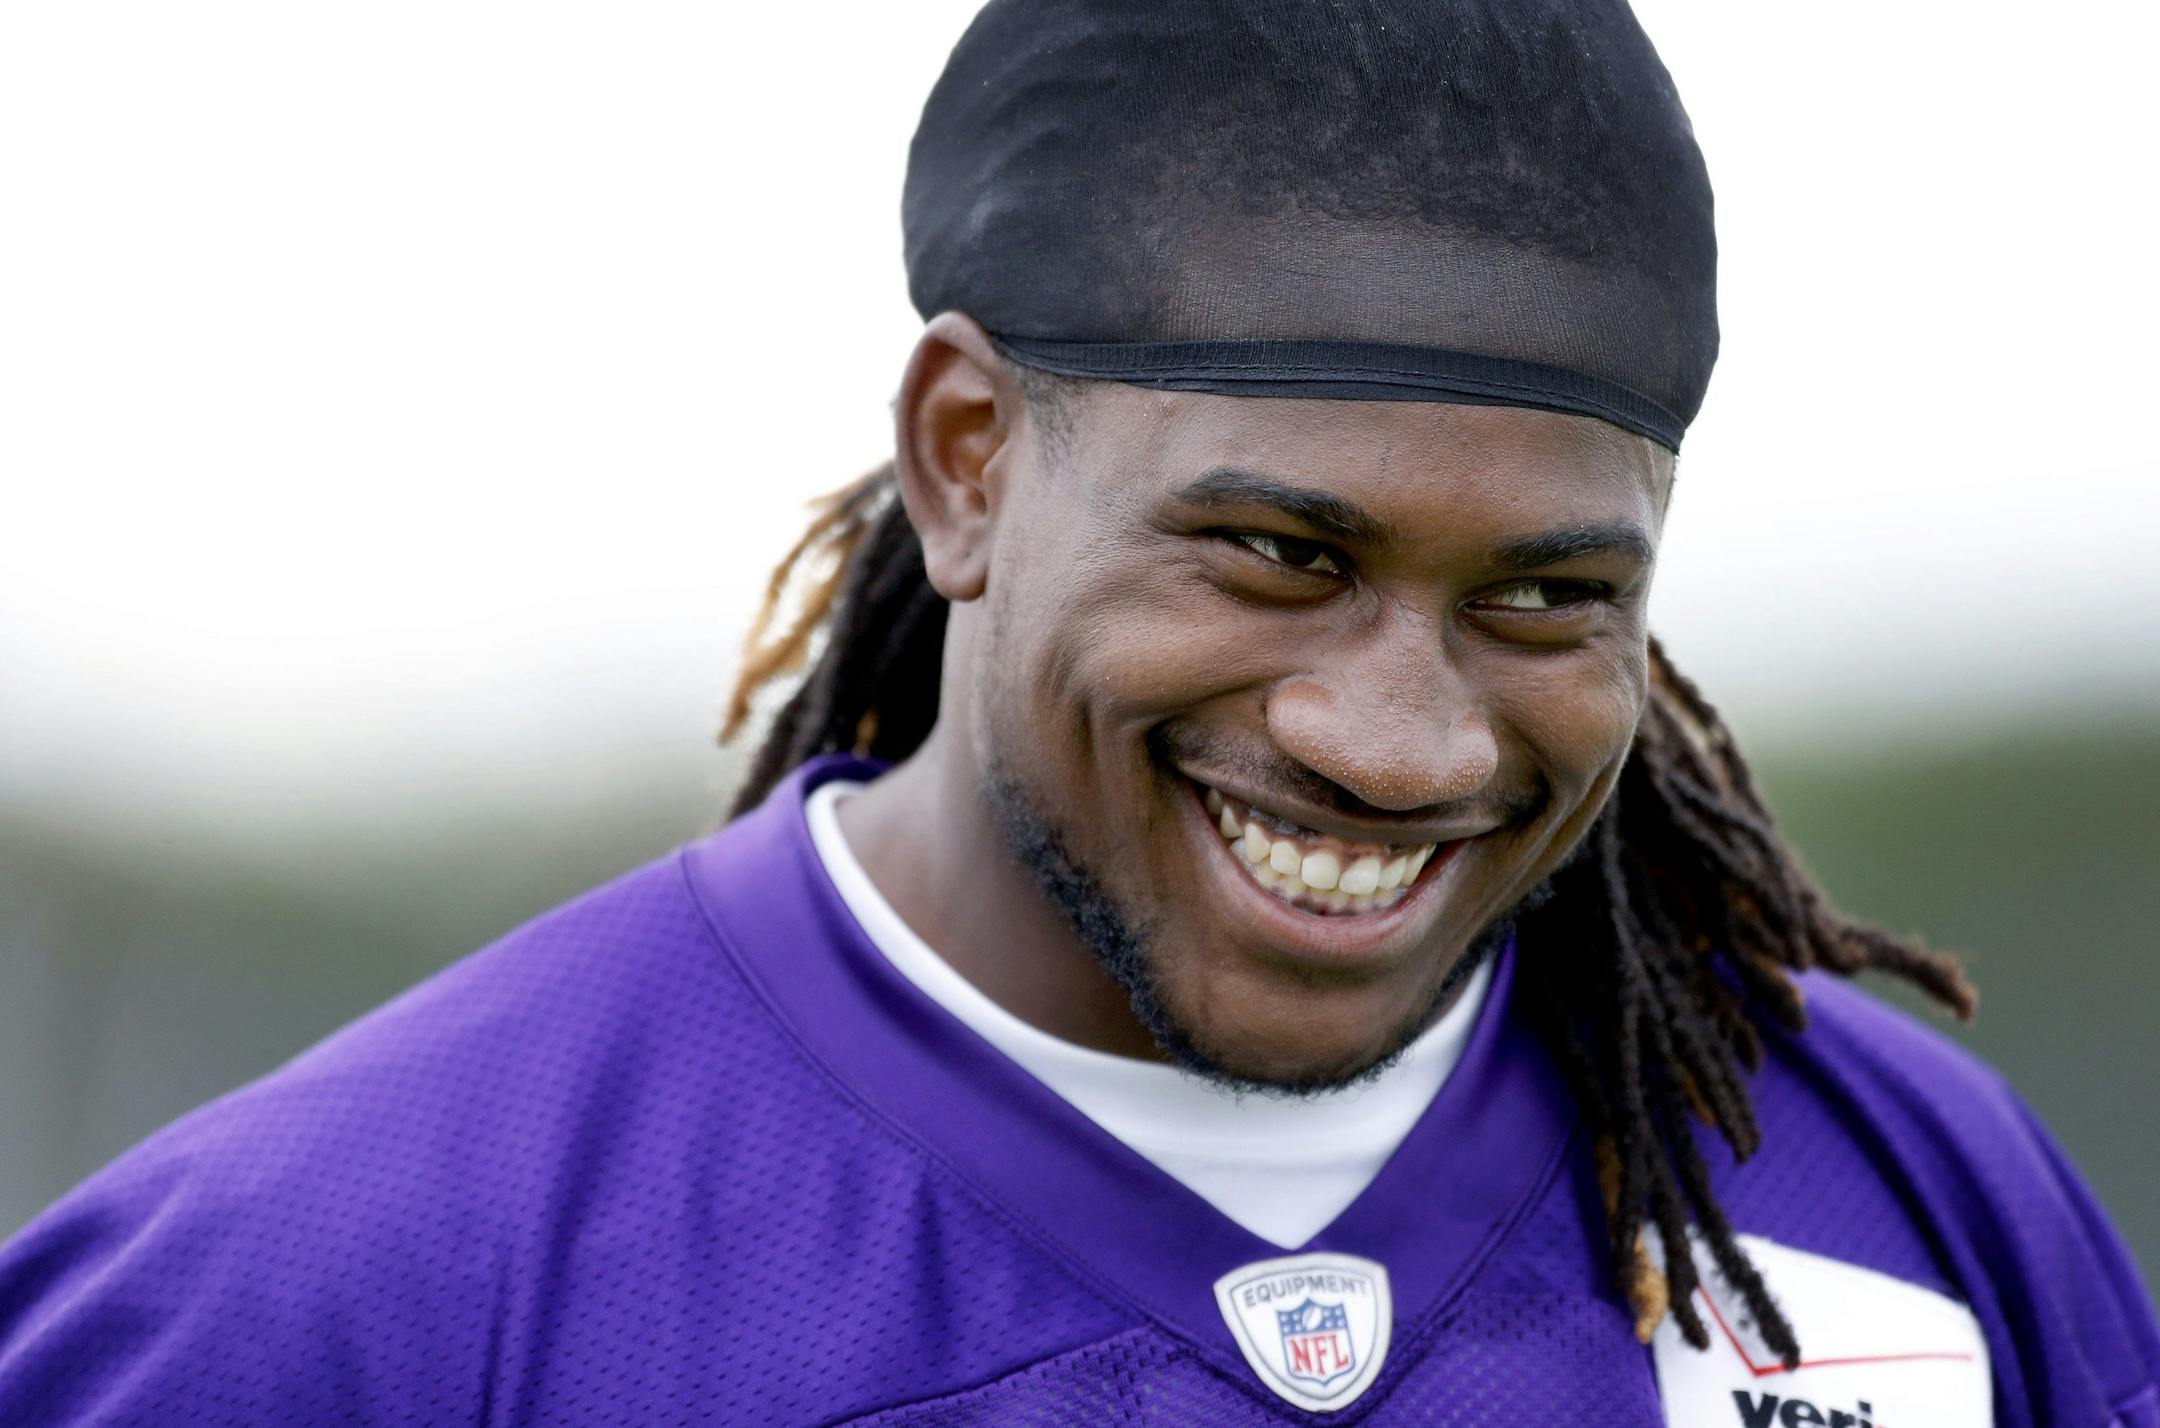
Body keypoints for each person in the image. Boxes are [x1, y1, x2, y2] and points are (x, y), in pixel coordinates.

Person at [2, 1, 2155, 1424]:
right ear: (967, 459)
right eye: (1278, 555)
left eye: (1544, 599)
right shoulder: (321, 1297)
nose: (1403, 741)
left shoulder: (1916, 1213)